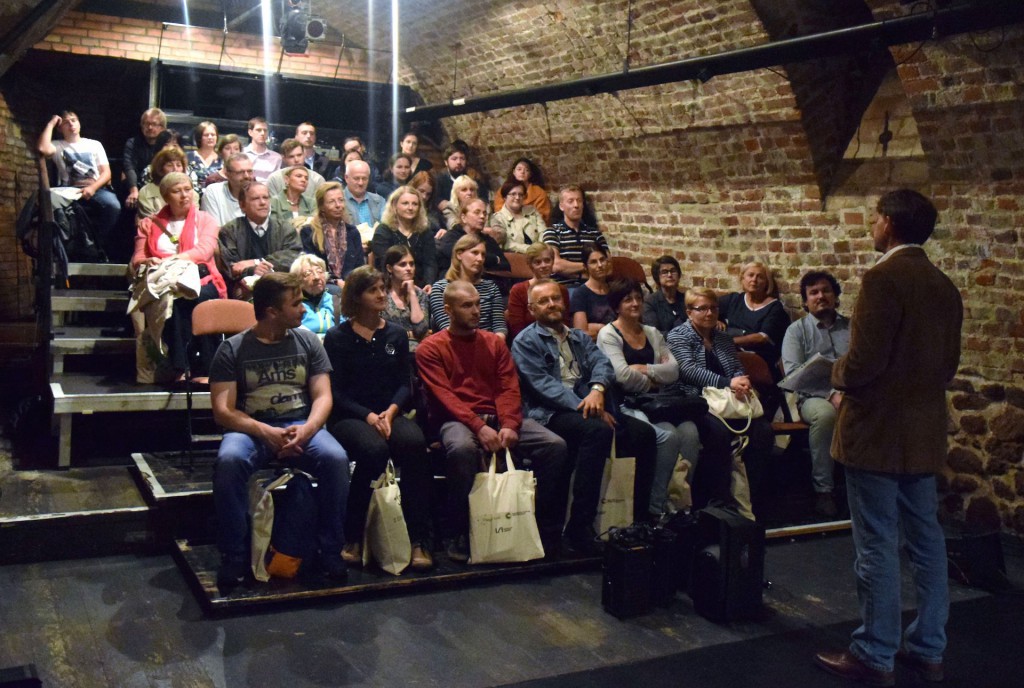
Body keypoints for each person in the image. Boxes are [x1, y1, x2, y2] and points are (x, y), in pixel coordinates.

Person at [814, 190, 962, 687]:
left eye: (876, 217)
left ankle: (875, 651)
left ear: (891, 225)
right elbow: (947, 366)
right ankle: (928, 647)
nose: (872, 225)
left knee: (875, 542)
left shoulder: (883, 278)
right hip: (921, 433)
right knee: (927, 541)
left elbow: (863, 363)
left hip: (876, 432)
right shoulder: (943, 285)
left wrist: (831, 372)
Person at [210, 272, 351, 588]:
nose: (304, 310)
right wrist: (265, 432)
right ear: (272, 311)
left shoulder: (308, 341)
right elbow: (223, 411)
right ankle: (234, 555)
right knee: (229, 461)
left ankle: (330, 549)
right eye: (297, 303)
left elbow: (323, 396)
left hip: (301, 424)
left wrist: (308, 430)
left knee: (336, 459)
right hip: (252, 428)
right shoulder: (233, 350)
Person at [416, 280, 567, 561]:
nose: (476, 311)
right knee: (462, 449)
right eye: (467, 305)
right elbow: (445, 397)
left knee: (554, 445)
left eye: (478, 304)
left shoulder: (493, 344)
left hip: (497, 416)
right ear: (448, 310)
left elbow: (508, 387)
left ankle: (540, 524)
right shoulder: (431, 348)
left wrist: (509, 423)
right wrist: (479, 427)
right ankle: (458, 529)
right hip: (456, 419)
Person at [512, 279, 657, 553]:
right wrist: (588, 405)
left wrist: (598, 390)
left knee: (644, 434)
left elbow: (602, 364)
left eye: (556, 298)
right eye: (544, 301)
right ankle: (580, 527)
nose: (552, 304)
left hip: (592, 405)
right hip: (550, 413)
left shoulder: (578, 337)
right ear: (532, 309)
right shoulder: (525, 341)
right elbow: (543, 386)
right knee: (597, 431)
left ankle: (639, 519)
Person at [323, 266, 434, 571]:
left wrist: (392, 411)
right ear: (357, 297)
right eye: (373, 290)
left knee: (414, 443)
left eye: (383, 288)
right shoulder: (337, 337)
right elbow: (337, 392)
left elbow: (404, 384)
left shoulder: (396, 334)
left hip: (389, 412)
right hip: (350, 415)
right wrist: (369, 415)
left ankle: (418, 539)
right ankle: (353, 535)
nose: (382, 294)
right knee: (374, 451)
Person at [597, 280, 701, 517]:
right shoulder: (608, 335)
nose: (635, 304)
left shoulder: (652, 333)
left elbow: (674, 371)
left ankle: (679, 502)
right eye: (627, 300)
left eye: (638, 298)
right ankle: (655, 508)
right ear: (616, 306)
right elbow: (622, 377)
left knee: (690, 432)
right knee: (669, 437)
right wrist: (654, 376)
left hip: (658, 402)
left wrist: (645, 369)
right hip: (626, 403)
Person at [666, 287, 774, 512]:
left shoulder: (723, 338)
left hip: (728, 399)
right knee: (719, 434)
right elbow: (688, 371)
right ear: (689, 312)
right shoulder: (678, 335)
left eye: (713, 308)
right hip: (695, 400)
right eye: (702, 308)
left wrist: (740, 381)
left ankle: (750, 496)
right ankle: (719, 499)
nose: (709, 313)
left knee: (763, 431)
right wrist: (728, 383)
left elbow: (735, 368)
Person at [130, 172, 227, 381]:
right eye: (177, 191)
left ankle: (207, 370)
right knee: (173, 299)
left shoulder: (205, 220)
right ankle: (181, 368)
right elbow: (138, 257)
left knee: (200, 298)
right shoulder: (149, 224)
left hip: (201, 279)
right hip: (164, 281)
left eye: (188, 189)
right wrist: (148, 261)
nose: (185, 195)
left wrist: (172, 260)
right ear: (166, 196)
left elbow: (204, 251)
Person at [780, 271, 850, 518]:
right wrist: (831, 394)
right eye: (814, 293)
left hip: (851, 394)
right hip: (810, 397)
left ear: (835, 296)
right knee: (826, 415)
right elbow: (794, 375)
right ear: (806, 301)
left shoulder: (852, 328)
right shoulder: (796, 331)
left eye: (826, 291)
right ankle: (824, 490)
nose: (821, 296)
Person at [37, 110, 122, 255]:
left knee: (113, 206)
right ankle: (64, 247)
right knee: (47, 201)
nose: (71, 124)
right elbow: (42, 148)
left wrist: (93, 188)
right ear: (60, 128)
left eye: (74, 120)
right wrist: (51, 123)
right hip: (68, 190)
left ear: (79, 123)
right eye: (66, 122)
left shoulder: (94, 145)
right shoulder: (58, 145)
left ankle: (96, 244)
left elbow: (106, 174)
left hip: (95, 188)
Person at [218, 181, 302, 297]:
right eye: (255, 199)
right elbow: (231, 267)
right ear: (242, 205)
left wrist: (257, 262)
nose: (262, 203)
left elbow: (293, 256)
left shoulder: (285, 228)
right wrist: (253, 270)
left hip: (281, 285)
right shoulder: (230, 230)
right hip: (245, 288)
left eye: (266, 198)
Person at [718, 261, 790, 377]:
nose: (754, 280)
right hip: (731, 352)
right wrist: (716, 320)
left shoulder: (774, 307)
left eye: (760, 277)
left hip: (759, 357)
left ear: (767, 282)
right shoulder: (734, 299)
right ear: (742, 279)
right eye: (750, 275)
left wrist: (728, 342)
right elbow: (708, 307)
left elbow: (761, 338)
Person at [429, 234, 506, 338]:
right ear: (459, 254)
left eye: (483, 255)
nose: (480, 259)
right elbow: (446, 326)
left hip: (488, 344)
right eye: (475, 253)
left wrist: (494, 345)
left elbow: (499, 327)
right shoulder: (441, 288)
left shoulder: (491, 287)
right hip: (455, 344)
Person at [299, 182, 365, 290]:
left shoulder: (352, 232)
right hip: (322, 283)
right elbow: (311, 267)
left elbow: (360, 266)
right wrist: (335, 281)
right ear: (322, 206)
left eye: (341, 200)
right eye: (331, 202)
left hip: (350, 284)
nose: (338, 205)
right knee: (335, 290)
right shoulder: (308, 232)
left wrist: (350, 284)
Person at [371, 186, 438, 289]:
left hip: (421, 286)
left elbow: (430, 263)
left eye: (415, 204)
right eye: (405, 203)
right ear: (394, 206)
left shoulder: (425, 232)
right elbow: (384, 264)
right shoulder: (383, 231)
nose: (410, 208)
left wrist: (429, 283)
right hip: (390, 286)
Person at [543, 185, 609, 286]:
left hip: (594, 286)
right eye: (571, 201)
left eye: (579, 201)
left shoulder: (595, 234)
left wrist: (570, 270)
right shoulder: (553, 232)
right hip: (566, 288)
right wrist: (589, 267)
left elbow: (608, 266)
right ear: (561, 206)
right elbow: (556, 265)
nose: (576, 205)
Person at [505, 242, 570, 341]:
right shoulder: (518, 290)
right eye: (537, 262)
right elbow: (517, 329)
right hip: (528, 343)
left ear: (553, 262)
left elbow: (565, 324)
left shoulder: (561, 290)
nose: (543, 265)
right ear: (530, 265)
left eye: (547, 260)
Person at [437, 198, 509, 275]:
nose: (482, 216)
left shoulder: (488, 240)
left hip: (486, 283)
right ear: (463, 217)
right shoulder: (451, 237)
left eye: (484, 213)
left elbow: (506, 266)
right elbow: (461, 258)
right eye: (477, 212)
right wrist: (494, 259)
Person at [381, 245, 430, 351]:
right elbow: (381, 332)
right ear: (390, 268)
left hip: (418, 350)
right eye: (402, 264)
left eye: (412, 264)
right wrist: (409, 334)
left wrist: (412, 293)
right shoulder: (381, 294)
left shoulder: (420, 294)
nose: (409, 268)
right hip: (388, 348)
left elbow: (421, 330)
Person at [123, 107, 166, 210]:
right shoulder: (132, 143)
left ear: (162, 127)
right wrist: (134, 190)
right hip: (137, 185)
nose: (150, 127)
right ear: (142, 126)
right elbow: (129, 167)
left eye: (154, 124)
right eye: (146, 124)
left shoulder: (167, 144)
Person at [136, 147, 195, 220]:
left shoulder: (191, 192)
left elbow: (194, 217)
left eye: (179, 165)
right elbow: (150, 220)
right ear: (160, 168)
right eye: (169, 165)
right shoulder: (146, 192)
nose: (175, 169)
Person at [571, 243, 615, 339]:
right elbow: (581, 333)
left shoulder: (615, 289)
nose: (599, 265)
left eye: (602, 260)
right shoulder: (580, 294)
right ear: (585, 266)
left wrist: (596, 327)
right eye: (593, 262)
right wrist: (605, 328)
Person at [490, 179, 546, 253]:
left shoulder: (532, 211)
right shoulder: (497, 218)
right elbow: (507, 244)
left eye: (521, 194)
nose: (517, 197)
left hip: (540, 254)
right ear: (505, 197)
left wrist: (541, 248)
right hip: (516, 258)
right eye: (513, 194)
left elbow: (543, 232)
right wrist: (532, 250)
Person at [290, 254, 342, 335]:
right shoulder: (294, 305)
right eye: (308, 273)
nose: (316, 277)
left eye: (320, 271)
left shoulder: (335, 301)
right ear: (298, 280)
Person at [492, 157, 551, 224]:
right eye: (519, 169)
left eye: (526, 170)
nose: (522, 172)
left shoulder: (539, 193)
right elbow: (499, 211)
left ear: (530, 174)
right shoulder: (503, 190)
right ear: (514, 172)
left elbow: (543, 216)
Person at [200, 153, 254, 226]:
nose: (247, 176)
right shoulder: (214, 192)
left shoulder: (260, 194)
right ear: (227, 174)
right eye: (240, 172)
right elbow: (213, 230)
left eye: (250, 171)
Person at [643, 255, 688, 334]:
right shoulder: (649, 303)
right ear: (657, 277)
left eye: (673, 271)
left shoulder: (686, 299)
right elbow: (654, 333)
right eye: (664, 272)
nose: (670, 275)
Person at [343, 159, 386, 230]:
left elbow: (385, 227)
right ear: (346, 178)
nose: (361, 183)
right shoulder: (338, 200)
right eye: (356, 178)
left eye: (364, 178)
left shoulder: (379, 201)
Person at [243, 116, 282, 182]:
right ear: (250, 132)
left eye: (265, 130)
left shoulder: (276, 157)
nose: (262, 133)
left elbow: (276, 183)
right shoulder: (241, 153)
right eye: (258, 130)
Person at [433, 145, 468, 216]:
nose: (459, 162)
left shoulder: (472, 179)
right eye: (454, 159)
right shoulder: (439, 180)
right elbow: (436, 200)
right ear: (446, 162)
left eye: (462, 159)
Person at [187, 120, 221, 189]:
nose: (210, 137)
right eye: (206, 135)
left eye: (213, 135)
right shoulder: (188, 157)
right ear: (199, 138)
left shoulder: (222, 159)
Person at [410, 170, 444, 235]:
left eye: (428, 194)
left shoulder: (434, 212)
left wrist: (444, 232)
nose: (424, 197)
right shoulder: (404, 210)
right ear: (413, 188)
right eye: (421, 191)